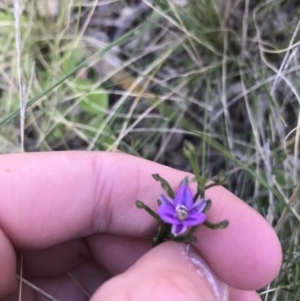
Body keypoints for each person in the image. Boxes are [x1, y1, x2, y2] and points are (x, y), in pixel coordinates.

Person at [0, 152, 281, 301]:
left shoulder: (186, 213)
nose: (182, 211)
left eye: (185, 211)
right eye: (179, 210)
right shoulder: (179, 214)